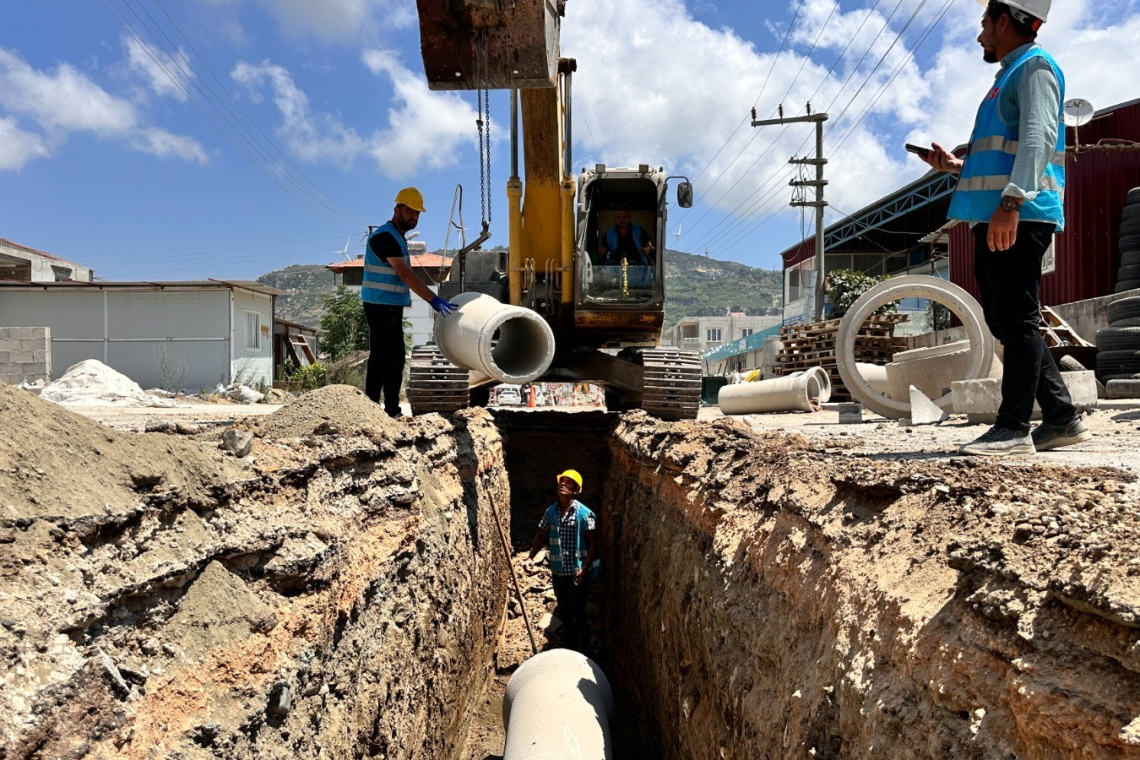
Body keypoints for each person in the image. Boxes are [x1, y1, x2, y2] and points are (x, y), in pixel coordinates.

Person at [920, 0, 1090, 456]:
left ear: (1003, 21)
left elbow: (1037, 140)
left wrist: (1012, 203)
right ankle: (1061, 417)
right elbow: (1005, 152)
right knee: (1006, 316)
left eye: (983, 25)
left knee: (1016, 319)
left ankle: (1013, 428)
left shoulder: (1035, 68)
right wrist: (955, 166)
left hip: (1020, 214)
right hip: (1000, 213)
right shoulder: (1008, 76)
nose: (980, 36)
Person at [362, 187, 457, 418]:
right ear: (397, 210)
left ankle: (369, 407)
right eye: (409, 211)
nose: (413, 217)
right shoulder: (385, 237)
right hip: (381, 305)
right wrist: (433, 299)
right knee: (393, 358)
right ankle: (391, 411)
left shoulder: (396, 237)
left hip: (385, 305)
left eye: (417, 213)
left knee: (379, 356)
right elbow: (406, 274)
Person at [526, 469, 599, 655]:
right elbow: (541, 536)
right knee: (566, 615)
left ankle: (584, 654)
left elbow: (593, 544)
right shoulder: (551, 512)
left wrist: (585, 568)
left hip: (576, 574)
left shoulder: (584, 514)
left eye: (568, 482)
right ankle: (571, 652)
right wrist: (529, 557)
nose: (563, 484)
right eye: (562, 481)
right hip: (558, 573)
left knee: (579, 616)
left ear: (576, 490)